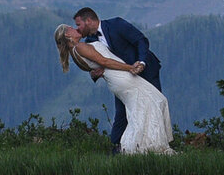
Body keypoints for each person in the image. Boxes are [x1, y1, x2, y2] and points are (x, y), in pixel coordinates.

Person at [55, 14, 172, 155]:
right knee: (148, 105)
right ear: (68, 34)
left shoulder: (113, 26)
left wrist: (141, 62)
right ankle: (137, 147)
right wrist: (130, 67)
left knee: (148, 105)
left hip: (135, 73)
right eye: (73, 27)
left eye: (78, 25)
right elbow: (104, 61)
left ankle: (139, 144)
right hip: (124, 76)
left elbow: (140, 40)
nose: (77, 29)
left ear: (89, 20)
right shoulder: (81, 46)